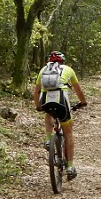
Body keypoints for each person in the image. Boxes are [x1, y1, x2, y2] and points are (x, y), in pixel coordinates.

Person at [33, 51, 88, 180]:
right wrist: (83, 102)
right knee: (68, 132)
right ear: (63, 61)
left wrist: (38, 106)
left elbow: (36, 92)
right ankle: (70, 166)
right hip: (62, 100)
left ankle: (47, 139)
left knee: (48, 113)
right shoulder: (68, 69)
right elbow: (78, 90)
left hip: (46, 99)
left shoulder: (43, 70)